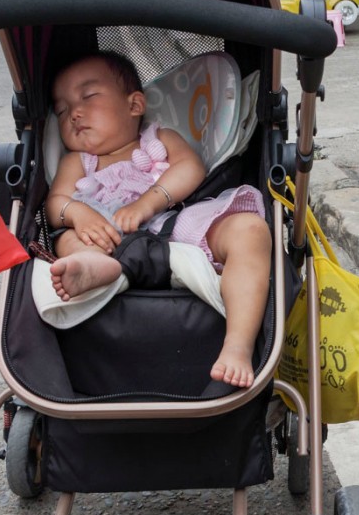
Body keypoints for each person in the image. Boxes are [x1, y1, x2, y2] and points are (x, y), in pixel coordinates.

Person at [43, 52, 270, 387]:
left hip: (174, 224)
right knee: (66, 238)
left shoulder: (159, 139)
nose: (73, 114)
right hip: (107, 238)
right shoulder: (78, 161)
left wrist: (148, 203)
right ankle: (94, 266)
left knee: (250, 229)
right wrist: (78, 213)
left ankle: (238, 344)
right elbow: (55, 204)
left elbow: (190, 168)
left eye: (88, 96)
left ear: (135, 105)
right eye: (62, 110)